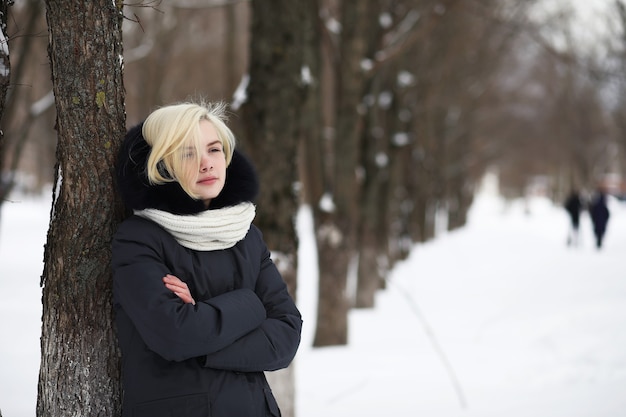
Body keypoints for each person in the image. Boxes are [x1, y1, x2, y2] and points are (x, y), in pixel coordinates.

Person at [111, 101, 302, 417]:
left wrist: (202, 319)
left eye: (214, 150)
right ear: (162, 164)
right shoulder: (139, 238)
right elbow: (174, 336)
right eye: (187, 153)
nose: (206, 163)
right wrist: (252, 305)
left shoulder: (246, 235)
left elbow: (285, 335)